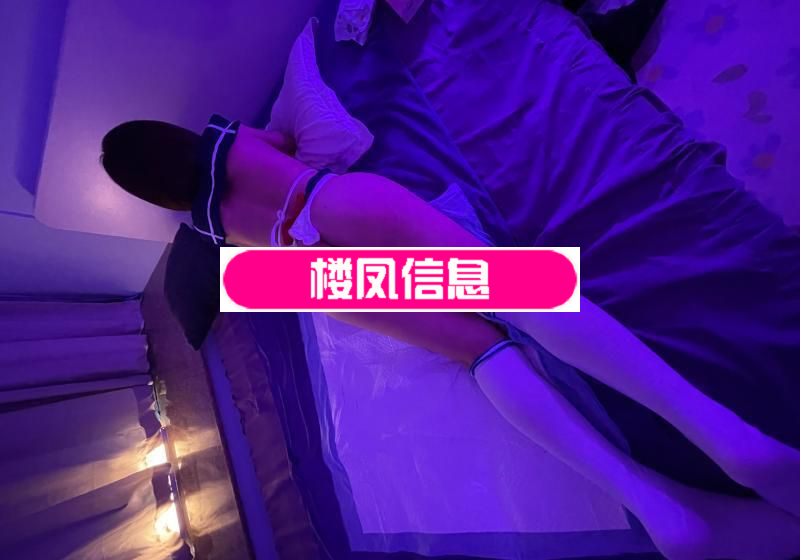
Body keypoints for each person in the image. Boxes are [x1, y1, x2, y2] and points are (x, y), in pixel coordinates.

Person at [101, 118, 800, 560]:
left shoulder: (205, 226)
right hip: (332, 202)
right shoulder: (226, 134)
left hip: (304, 269)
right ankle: (730, 438)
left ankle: (653, 506)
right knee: (519, 288)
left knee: (476, 349)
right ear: (173, 137)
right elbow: (283, 141)